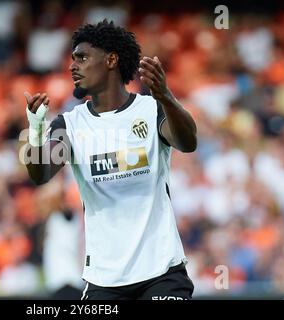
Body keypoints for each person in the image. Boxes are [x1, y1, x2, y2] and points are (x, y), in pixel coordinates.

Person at [24, 20, 197, 300]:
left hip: (162, 272)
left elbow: (188, 143)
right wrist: (35, 130)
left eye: (82, 57)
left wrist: (164, 95)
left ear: (111, 60)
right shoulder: (69, 124)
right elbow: (39, 174)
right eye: (72, 59)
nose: (72, 66)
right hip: (104, 280)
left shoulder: (151, 110)